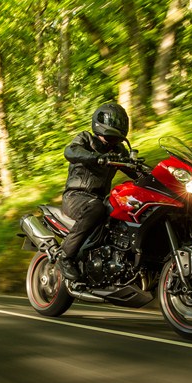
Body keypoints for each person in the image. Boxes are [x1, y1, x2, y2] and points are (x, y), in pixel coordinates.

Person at [57, 103, 136, 280]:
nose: (118, 124)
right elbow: (70, 151)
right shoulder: (86, 139)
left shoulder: (118, 150)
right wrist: (96, 158)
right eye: (115, 121)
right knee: (96, 209)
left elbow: (134, 171)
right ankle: (65, 257)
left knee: (129, 210)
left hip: (101, 199)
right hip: (76, 197)